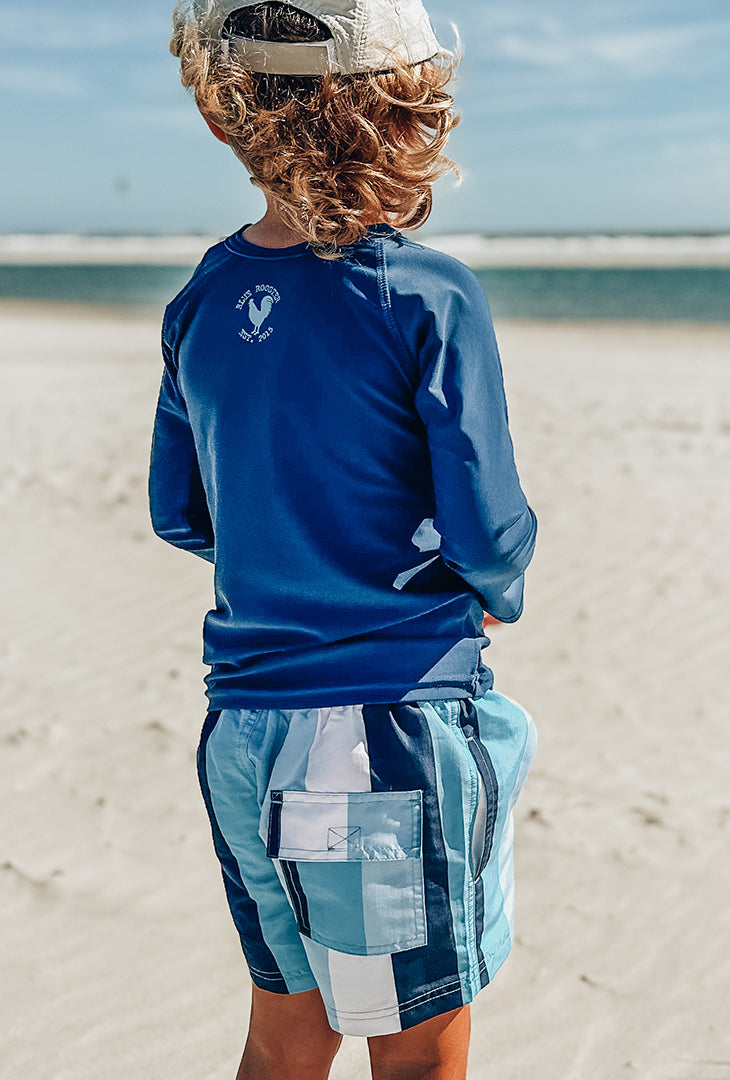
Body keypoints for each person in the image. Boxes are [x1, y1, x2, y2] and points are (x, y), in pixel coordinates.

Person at [150, 2, 538, 1077]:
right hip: (382, 738)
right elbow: (488, 529)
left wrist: (287, 552)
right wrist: (499, 583)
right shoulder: (426, 293)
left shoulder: (202, 300)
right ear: (412, 107)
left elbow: (182, 512)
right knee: (416, 1050)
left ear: (223, 119)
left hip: (245, 733)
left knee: (285, 1038)